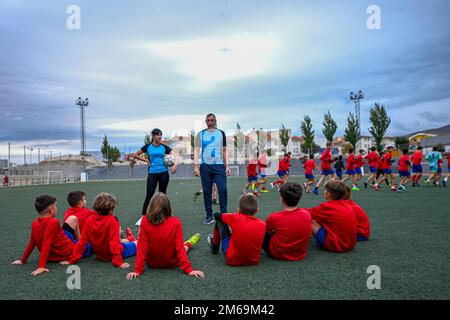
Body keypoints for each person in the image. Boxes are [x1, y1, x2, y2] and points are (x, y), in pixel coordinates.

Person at [126, 193, 204, 279]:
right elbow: (179, 248)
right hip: (172, 263)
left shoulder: (144, 220)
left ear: (150, 207)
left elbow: (142, 247)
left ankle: (189, 243)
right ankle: (189, 243)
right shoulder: (176, 222)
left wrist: (137, 270)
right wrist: (189, 269)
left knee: (180, 247)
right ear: (168, 208)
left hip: (152, 263)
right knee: (184, 247)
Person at [61, 193, 137, 269]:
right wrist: (118, 262)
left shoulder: (89, 220)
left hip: (99, 255)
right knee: (138, 243)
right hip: (114, 253)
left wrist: (72, 260)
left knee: (122, 240)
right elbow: (114, 243)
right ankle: (131, 239)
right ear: (110, 210)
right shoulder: (112, 220)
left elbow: (82, 242)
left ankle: (130, 238)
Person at [12, 195, 76, 276]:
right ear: (51, 209)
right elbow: (46, 244)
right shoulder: (53, 222)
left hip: (51, 257)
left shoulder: (34, 223)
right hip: (66, 253)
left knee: (68, 228)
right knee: (86, 243)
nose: (56, 207)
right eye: (55, 205)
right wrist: (41, 267)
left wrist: (23, 260)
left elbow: (32, 243)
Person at [207, 193, 266, 266]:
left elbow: (216, 215)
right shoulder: (262, 224)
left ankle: (214, 246)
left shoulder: (234, 217)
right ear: (257, 210)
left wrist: (229, 215)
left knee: (220, 221)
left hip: (232, 260)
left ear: (238, 210)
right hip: (254, 261)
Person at [132, 128, 177, 217]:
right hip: (152, 173)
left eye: (161, 135)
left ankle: (164, 215)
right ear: (153, 136)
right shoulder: (147, 147)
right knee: (150, 193)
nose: (159, 137)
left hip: (164, 172)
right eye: (158, 135)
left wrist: (174, 165)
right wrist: (146, 160)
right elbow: (135, 155)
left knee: (162, 195)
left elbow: (174, 154)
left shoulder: (164, 147)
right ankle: (144, 216)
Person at [194, 113, 230, 225]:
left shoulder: (221, 133)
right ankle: (209, 215)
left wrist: (227, 165)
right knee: (207, 191)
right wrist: (196, 166)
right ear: (206, 122)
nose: (210, 122)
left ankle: (224, 214)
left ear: (215, 121)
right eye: (208, 120)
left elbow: (224, 150)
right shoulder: (200, 134)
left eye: (212, 120)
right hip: (205, 166)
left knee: (223, 189)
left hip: (219, 166)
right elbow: (196, 150)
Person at [263, 182, 311, 260]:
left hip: (277, 253)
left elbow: (267, 231)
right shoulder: (306, 214)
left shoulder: (274, 217)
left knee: (261, 228)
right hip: (299, 254)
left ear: (281, 199)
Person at [308, 180, 358, 253]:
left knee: (310, 220)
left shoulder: (328, 207)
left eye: (325, 190)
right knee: (319, 220)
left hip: (337, 245)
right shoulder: (346, 204)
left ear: (328, 194)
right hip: (350, 244)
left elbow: (306, 213)